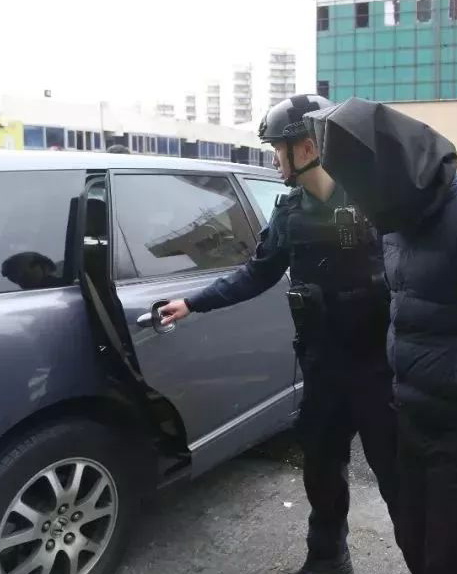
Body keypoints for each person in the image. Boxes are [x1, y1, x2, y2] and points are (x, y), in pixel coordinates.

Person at [303, 99, 457, 574]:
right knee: (415, 544)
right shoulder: (396, 222)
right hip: (415, 420)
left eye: (361, 188)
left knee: (453, 559)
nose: (356, 202)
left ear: (392, 176)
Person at [158, 95, 398, 574]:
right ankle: (327, 558)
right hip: (323, 368)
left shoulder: (375, 201)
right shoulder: (289, 212)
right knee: (322, 472)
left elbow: (423, 274)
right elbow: (257, 273)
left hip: (380, 371)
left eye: (277, 149)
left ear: (307, 148)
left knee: (400, 478)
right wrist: (194, 302)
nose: (273, 160)